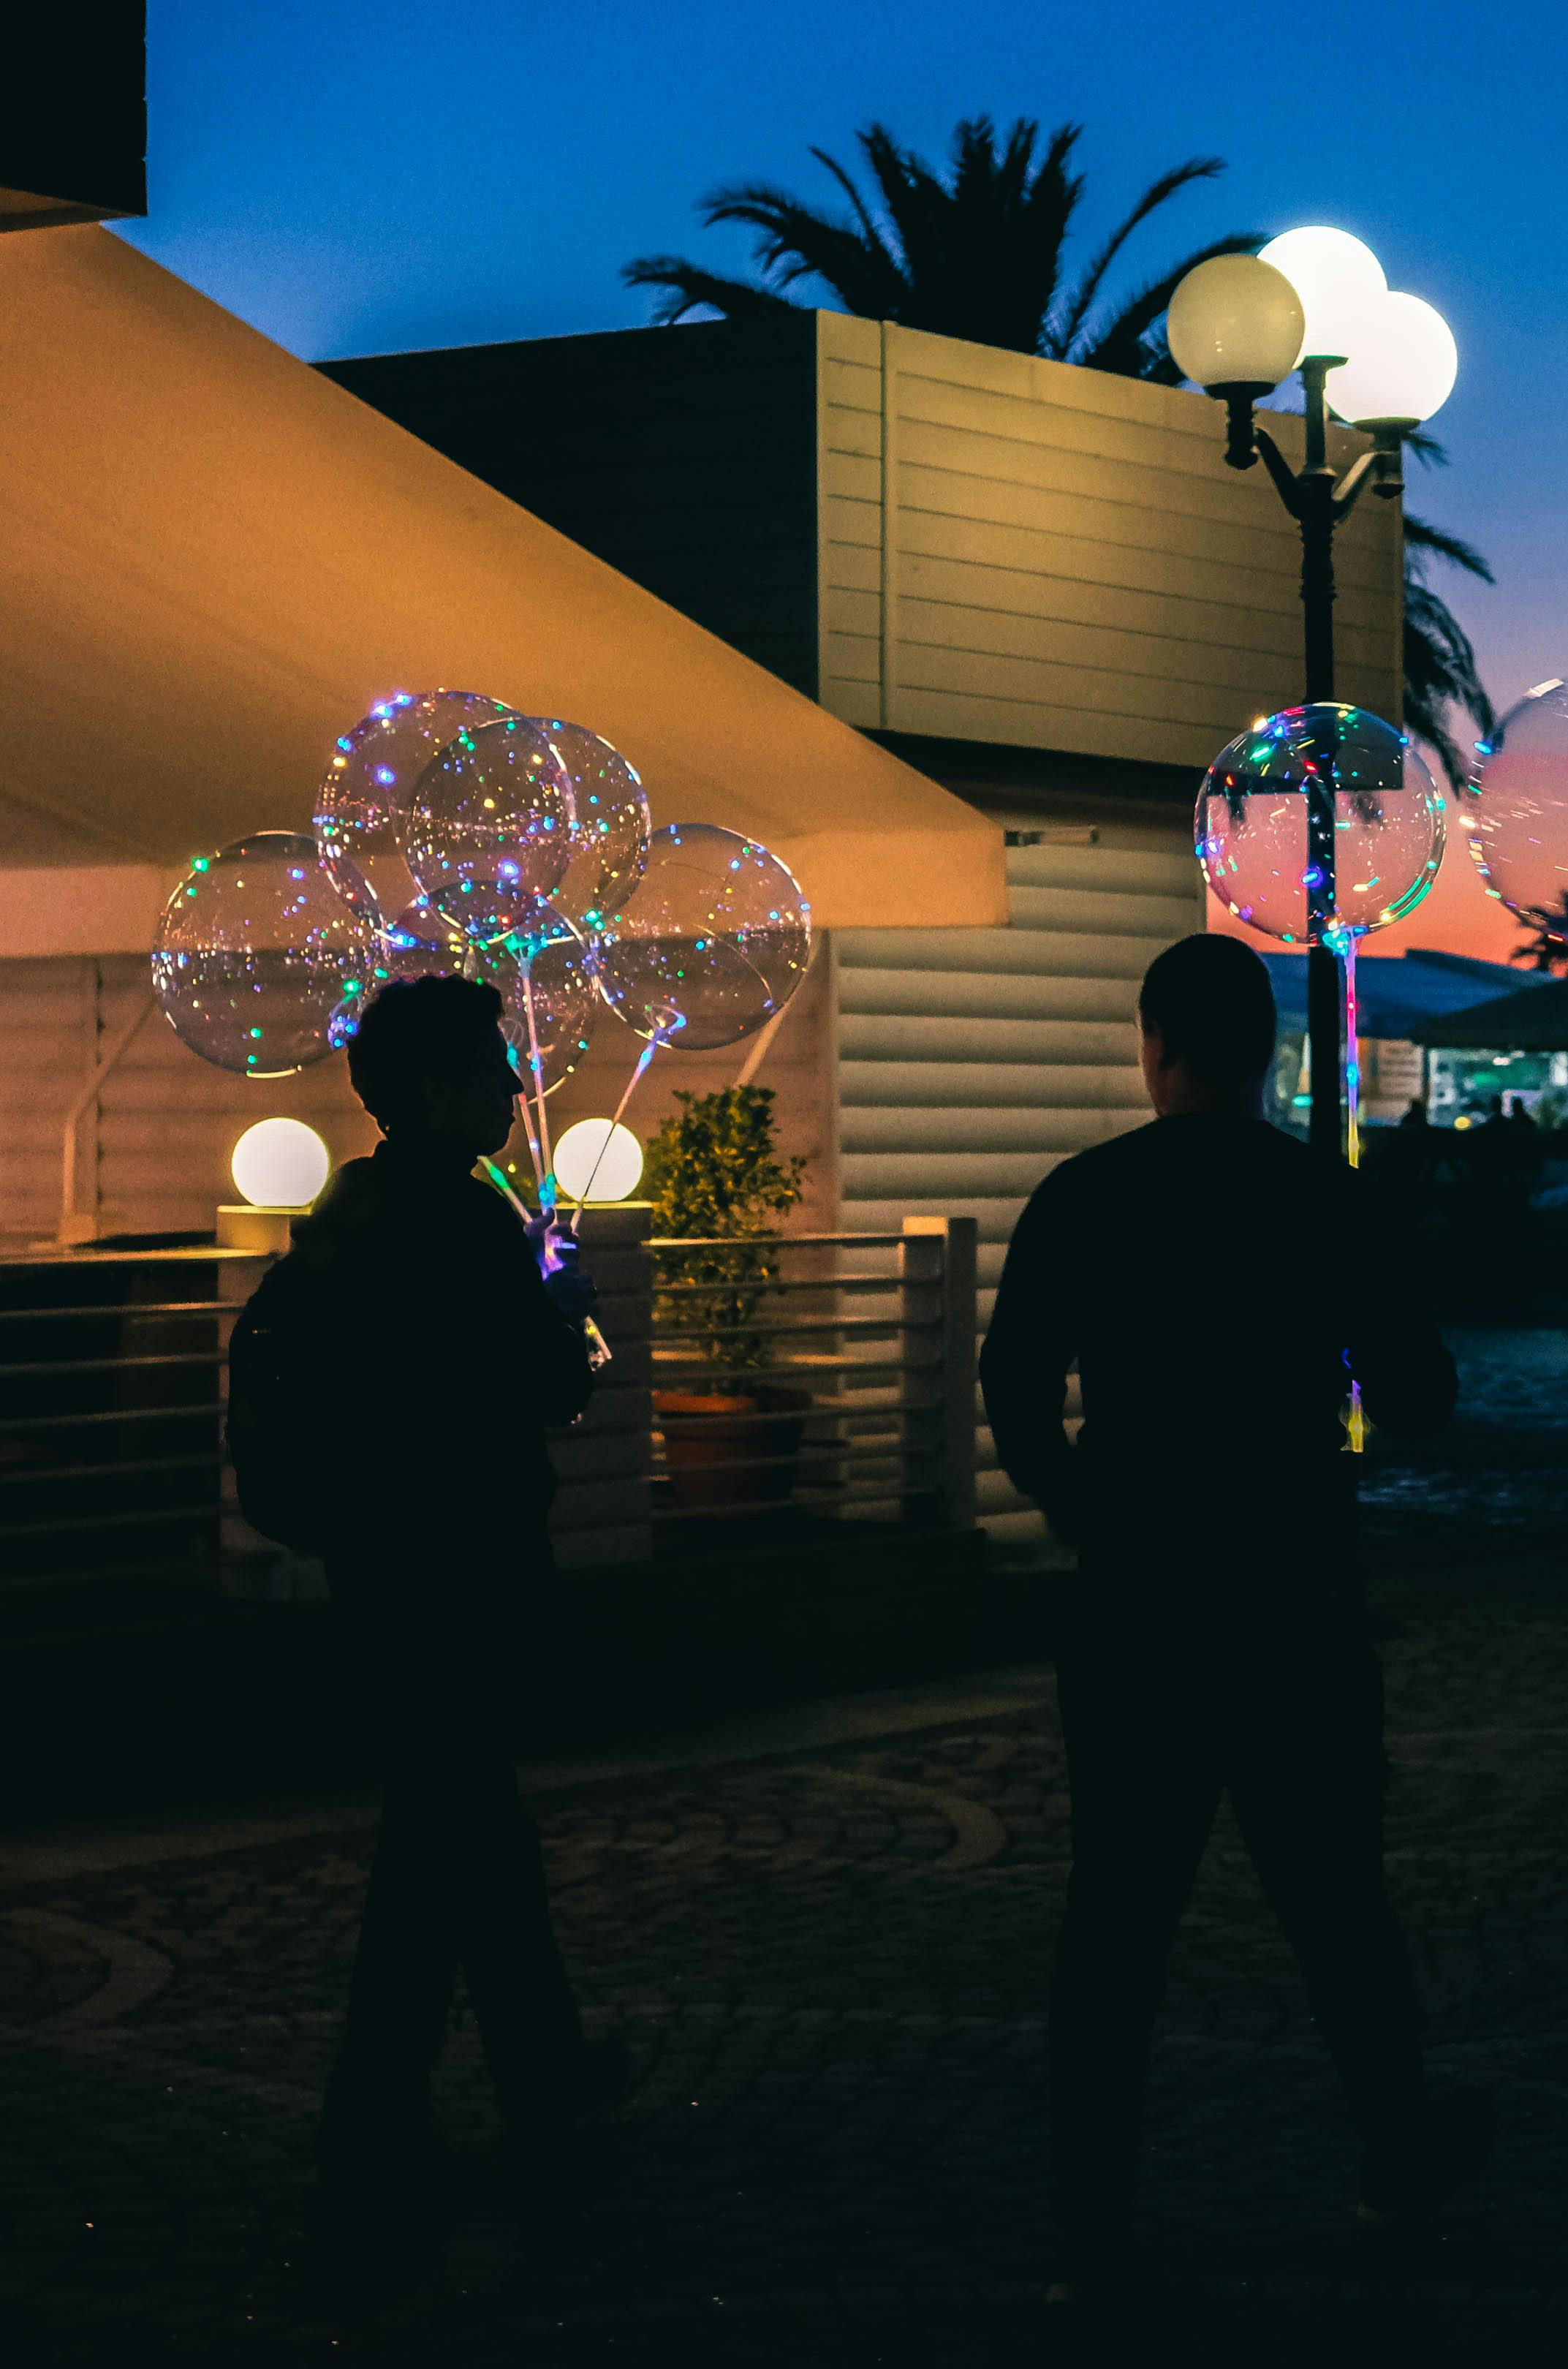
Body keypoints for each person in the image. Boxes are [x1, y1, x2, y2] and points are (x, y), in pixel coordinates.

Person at [980, 934, 1487, 2299]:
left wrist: (1084, 1502)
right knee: (1334, 1898)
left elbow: (1015, 1379)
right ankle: (1396, 2154)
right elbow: (1419, 1389)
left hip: (1139, 1595)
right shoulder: (1319, 1199)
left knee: (1117, 1911)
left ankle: (1090, 2206)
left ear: (1152, 1046)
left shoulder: (1085, 1197)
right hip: (1291, 1588)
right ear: (1264, 1048)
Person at [294, 975, 606, 2281]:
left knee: (456, 1830)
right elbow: (544, 1384)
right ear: (436, 1090)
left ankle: (500, 2085)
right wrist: (563, 1307)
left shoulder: (351, 1212)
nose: (515, 1087)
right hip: (461, 1574)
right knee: (457, 1836)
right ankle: (425, 2105)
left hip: (381, 1572)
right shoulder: (464, 1224)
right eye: (492, 1068)